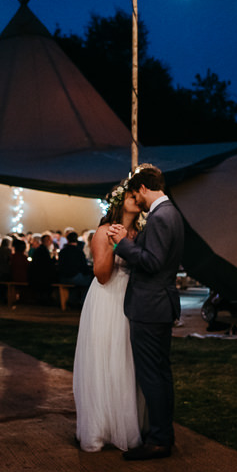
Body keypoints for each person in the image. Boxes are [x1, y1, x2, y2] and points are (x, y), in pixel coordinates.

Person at [108, 164, 184, 461]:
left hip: (150, 306)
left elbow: (152, 262)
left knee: (152, 375)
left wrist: (122, 244)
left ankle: (158, 441)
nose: (135, 200)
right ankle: (163, 435)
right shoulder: (172, 213)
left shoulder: (161, 217)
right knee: (161, 375)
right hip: (160, 304)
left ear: (142, 189)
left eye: (136, 193)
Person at [73, 180, 146, 453]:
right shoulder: (104, 231)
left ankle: (128, 425)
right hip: (108, 299)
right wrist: (118, 245)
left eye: (138, 194)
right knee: (106, 358)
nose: (136, 198)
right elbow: (102, 276)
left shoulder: (142, 232)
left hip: (134, 300)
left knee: (128, 360)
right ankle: (102, 426)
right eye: (130, 194)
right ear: (119, 201)